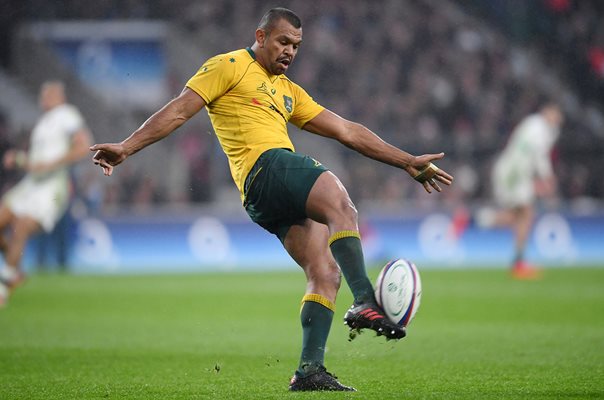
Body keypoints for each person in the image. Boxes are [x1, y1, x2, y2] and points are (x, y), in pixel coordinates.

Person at [90, 8, 453, 392]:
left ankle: (310, 370)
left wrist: (406, 161)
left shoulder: (288, 91)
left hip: (262, 198)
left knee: (324, 272)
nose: (289, 52)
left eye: (296, 46)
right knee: (340, 203)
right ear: (261, 37)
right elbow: (180, 109)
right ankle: (365, 298)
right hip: (265, 167)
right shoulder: (228, 65)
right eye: (282, 42)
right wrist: (127, 147)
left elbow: (346, 130)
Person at [0, 81, 92, 305]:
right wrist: (20, 159)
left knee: (21, 226)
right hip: (31, 184)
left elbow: (83, 146)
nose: (44, 98)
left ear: (58, 96)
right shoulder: (43, 124)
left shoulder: (67, 115)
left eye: (48, 94)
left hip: (52, 187)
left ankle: (3, 287)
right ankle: (15, 271)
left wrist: (52, 164)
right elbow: (37, 163)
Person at [456, 102, 563, 279]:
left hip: (512, 172)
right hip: (513, 175)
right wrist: (546, 178)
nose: (557, 121)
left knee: (517, 217)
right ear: (547, 113)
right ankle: (519, 262)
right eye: (555, 116)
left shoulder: (533, 124)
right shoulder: (540, 129)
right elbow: (537, 155)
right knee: (526, 213)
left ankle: (471, 221)